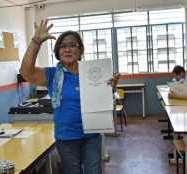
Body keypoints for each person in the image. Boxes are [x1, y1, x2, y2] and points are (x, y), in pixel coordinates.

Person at [20, 19, 119, 174]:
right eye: (63, 46)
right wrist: (36, 41)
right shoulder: (51, 74)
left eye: (72, 45)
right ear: (58, 51)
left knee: (94, 171)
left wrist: (109, 88)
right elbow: (25, 71)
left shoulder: (92, 72)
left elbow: (101, 99)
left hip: (92, 134)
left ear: (80, 50)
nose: (67, 49)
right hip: (66, 136)